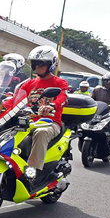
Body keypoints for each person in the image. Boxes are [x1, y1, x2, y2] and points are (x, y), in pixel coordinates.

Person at [13, 45, 68, 185]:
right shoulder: (29, 84)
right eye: (35, 64)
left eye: (41, 64)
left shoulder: (59, 82)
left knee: (41, 132)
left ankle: (32, 172)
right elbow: (17, 99)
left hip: (50, 123)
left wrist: (52, 106)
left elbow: (62, 97)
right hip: (27, 121)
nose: (37, 67)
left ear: (50, 65)